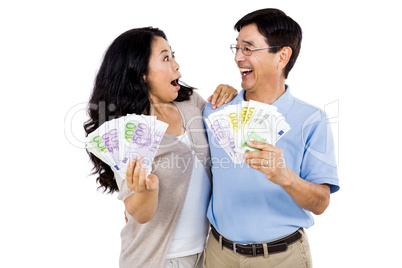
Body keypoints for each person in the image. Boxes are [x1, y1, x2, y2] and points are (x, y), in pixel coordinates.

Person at [83, 27, 237, 268]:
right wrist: (146, 192)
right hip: (155, 260)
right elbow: (139, 214)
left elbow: (229, 137)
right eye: (165, 58)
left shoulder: (190, 102)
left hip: (207, 255)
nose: (176, 65)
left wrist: (231, 97)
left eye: (173, 55)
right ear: (141, 73)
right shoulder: (129, 131)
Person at [203, 8, 340, 268]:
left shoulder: (312, 120)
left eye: (248, 48)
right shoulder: (215, 109)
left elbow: (321, 203)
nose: (237, 57)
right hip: (218, 253)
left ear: (282, 56)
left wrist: (285, 177)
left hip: (281, 258)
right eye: (236, 47)